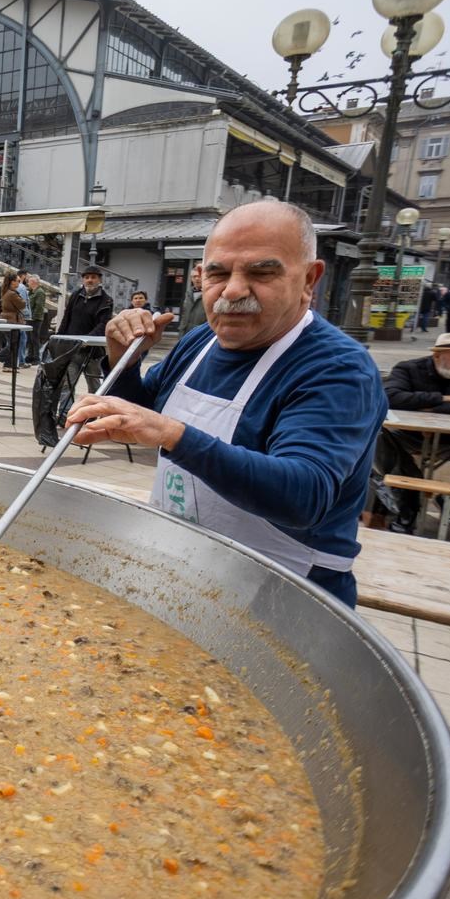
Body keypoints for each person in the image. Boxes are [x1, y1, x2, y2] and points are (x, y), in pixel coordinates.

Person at [67, 201, 386, 607]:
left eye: (261, 272)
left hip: (286, 592)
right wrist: (123, 363)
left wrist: (172, 435)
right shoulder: (200, 341)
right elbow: (142, 412)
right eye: (218, 273)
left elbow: (304, 495)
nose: (233, 291)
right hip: (183, 564)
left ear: (310, 279)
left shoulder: (337, 368)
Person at [377, 333, 450, 533]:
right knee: (377, 438)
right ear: (437, 355)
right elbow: (390, 397)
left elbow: (403, 400)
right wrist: (445, 399)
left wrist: (424, 404)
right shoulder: (409, 368)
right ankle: (407, 503)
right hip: (408, 435)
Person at [56, 265, 114, 390]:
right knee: (67, 385)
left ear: (99, 280)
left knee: (94, 385)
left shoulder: (106, 300)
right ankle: (66, 405)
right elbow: (66, 318)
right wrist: (59, 337)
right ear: (83, 280)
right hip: (73, 348)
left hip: (93, 351)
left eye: (93, 277)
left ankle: (95, 404)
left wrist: (87, 340)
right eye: (86, 277)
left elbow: (103, 324)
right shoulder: (75, 295)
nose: (89, 280)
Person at [0, 271, 26, 370]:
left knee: (13, 343)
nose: (19, 283)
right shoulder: (12, 294)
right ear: (12, 282)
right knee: (13, 343)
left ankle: (8, 365)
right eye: (18, 281)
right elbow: (22, 304)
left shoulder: (6, 291)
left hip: (8, 319)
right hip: (12, 321)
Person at [180, 262, 207, 334]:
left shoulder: (210, 294)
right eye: (194, 276)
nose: (197, 278)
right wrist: (181, 331)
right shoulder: (189, 293)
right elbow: (184, 313)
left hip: (201, 333)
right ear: (191, 279)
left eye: (199, 276)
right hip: (186, 333)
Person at [27, 273, 49, 359]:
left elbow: (39, 306)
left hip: (35, 319)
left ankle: (36, 357)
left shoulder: (40, 292)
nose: (28, 283)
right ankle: (30, 356)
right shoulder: (32, 292)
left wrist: (33, 317)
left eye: (29, 282)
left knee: (34, 338)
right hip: (31, 318)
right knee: (30, 338)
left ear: (33, 282)